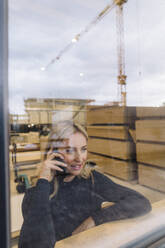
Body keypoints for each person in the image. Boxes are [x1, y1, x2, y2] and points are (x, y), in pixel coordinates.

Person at [18, 120, 151, 248]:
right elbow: (35, 245)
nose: (80, 158)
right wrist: (43, 183)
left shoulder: (92, 179)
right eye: (70, 150)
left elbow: (141, 202)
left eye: (83, 149)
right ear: (52, 153)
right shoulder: (37, 194)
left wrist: (95, 219)